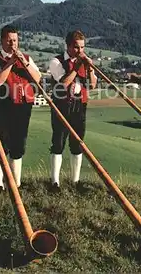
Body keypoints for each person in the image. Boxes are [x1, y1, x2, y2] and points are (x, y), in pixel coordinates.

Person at [0, 25, 41, 190]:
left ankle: (15, 183)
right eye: (9, 40)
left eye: (15, 40)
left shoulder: (27, 58)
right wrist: (10, 62)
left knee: (19, 144)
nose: (13, 44)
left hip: (23, 106)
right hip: (3, 106)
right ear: (2, 40)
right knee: (1, 144)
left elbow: (37, 78)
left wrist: (23, 62)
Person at [48, 30, 97, 189]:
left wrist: (89, 69)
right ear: (68, 46)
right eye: (76, 47)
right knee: (58, 142)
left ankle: (75, 181)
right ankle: (55, 181)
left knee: (78, 142)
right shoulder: (56, 61)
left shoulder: (83, 62)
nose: (80, 51)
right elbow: (64, 83)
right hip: (62, 104)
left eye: (82, 47)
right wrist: (77, 67)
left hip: (80, 105)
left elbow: (93, 85)